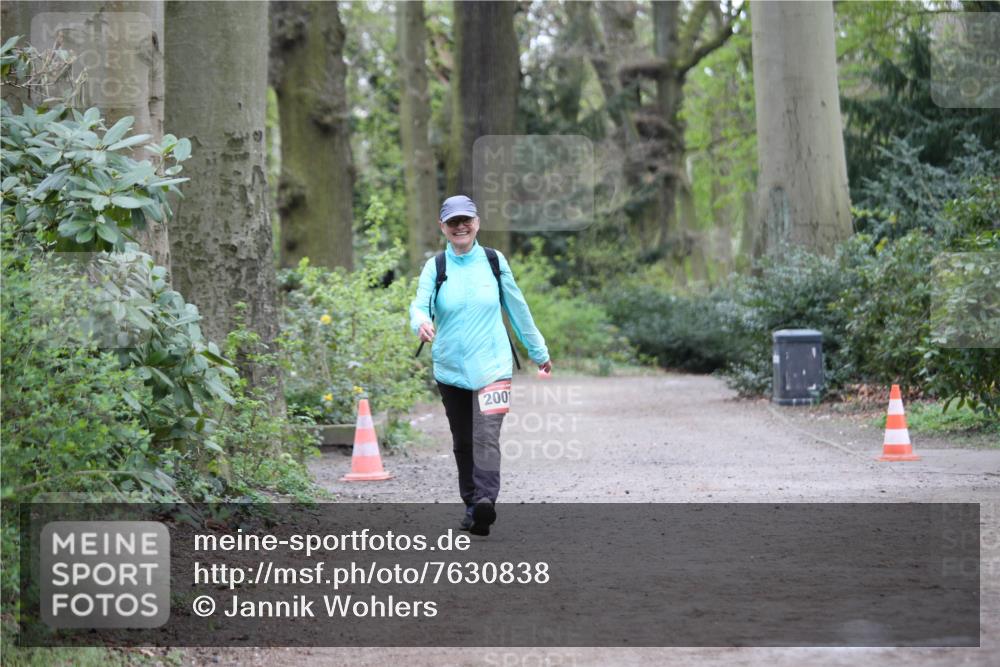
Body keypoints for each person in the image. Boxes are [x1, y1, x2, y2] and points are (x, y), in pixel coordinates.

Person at [409, 195, 552, 536]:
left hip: (494, 367)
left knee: (486, 435)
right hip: (451, 368)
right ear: (442, 227)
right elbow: (419, 305)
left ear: (477, 223)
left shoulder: (493, 261)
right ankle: (472, 505)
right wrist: (421, 323)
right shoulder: (436, 265)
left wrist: (538, 350)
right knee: (463, 440)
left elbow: (517, 308)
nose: (461, 226)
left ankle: (486, 500)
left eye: (466, 220)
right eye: (453, 221)